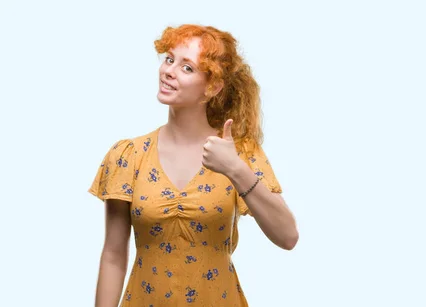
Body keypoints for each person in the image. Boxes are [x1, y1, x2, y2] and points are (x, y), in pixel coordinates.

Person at [88, 24, 299, 307]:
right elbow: (113, 255)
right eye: (169, 59)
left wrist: (235, 169)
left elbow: (287, 237)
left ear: (212, 86)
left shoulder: (240, 153)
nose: (169, 71)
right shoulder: (128, 155)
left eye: (187, 68)